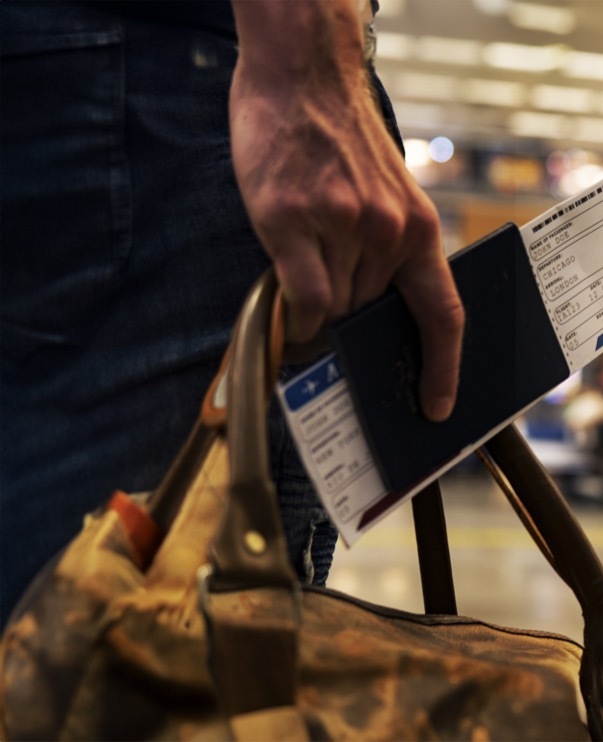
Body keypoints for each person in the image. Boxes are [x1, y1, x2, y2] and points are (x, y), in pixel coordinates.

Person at [0, 0, 465, 622]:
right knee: (124, 670)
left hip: (103, 90)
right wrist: (308, 64)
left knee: (94, 658)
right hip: (123, 90)